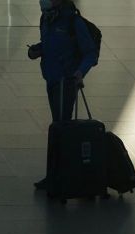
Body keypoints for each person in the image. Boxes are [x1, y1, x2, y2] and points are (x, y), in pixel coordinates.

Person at [29, 0, 100, 190]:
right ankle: (55, 174)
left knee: (61, 128)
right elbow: (49, 44)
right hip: (52, 80)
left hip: (66, 83)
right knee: (57, 128)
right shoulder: (46, 19)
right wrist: (37, 50)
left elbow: (90, 53)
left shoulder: (72, 22)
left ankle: (61, 175)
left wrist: (80, 72)